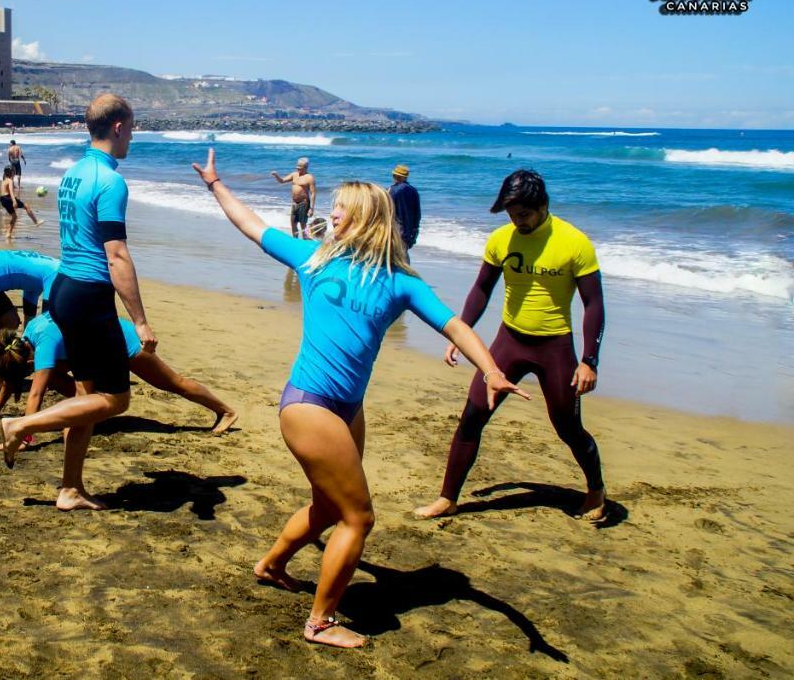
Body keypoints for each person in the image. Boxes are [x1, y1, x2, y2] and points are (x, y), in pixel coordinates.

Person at [191, 147, 523, 648]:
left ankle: (272, 564)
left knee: (329, 508)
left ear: (363, 219)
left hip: (349, 408)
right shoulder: (314, 258)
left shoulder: (400, 283)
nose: (332, 213)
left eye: (341, 208)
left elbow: (454, 324)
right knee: (359, 517)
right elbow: (252, 225)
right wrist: (215, 185)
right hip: (308, 405)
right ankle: (320, 621)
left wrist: (492, 369)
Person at [414, 170, 608, 523]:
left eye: (524, 215)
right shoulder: (501, 239)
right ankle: (448, 498)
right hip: (509, 341)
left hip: (555, 347)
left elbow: (593, 303)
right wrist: (462, 333)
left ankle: (596, 489)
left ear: (543, 205)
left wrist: (589, 361)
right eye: (511, 215)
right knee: (472, 416)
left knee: (567, 426)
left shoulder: (575, 243)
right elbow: (483, 288)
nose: (517, 222)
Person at [0, 94, 156, 512]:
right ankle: (21, 424)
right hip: (89, 294)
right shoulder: (110, 181)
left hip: (63, 287)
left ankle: (70, 488)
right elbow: (116, 253)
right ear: (118, 126)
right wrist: (139, 321)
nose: (133, 136)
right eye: (132, 127)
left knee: (87, 394)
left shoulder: (74, 173)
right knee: (116, 399)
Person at [0, 314, 238, 435]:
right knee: (55, 376)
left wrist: (24, 435)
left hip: (123, 342)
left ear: (30, 359)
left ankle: (225, 410)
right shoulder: (27, 334)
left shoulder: (43, 346)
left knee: (174, 384)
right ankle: (93, 414)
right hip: (97, 347)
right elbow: (12, 375)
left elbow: (35, 394)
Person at [271, 157, 317, 239]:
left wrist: (311, 208)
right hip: (295, 203)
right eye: (297, 168)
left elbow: (313, 193)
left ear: (306, 167)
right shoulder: (294, 175)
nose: (298, 170)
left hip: (304, 203)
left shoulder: (309, 177)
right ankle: (295, 240)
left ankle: (305, 241)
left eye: (300, 168)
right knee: (293, 223)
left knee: (303, 225)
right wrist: (276, 175)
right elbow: (282, 181)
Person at [0, 165, 42, 237]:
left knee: (14, 216)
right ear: (11, 172)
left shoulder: (4, 180)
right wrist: (14, 200)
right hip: (8, 198)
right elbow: (11, 191)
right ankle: (36, 222)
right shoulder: (10, 180)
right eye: (13, 171)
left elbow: (4, 192)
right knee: (26, 206)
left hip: (3, 199)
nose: (14, 173)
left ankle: (8, 234)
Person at [388, 164, 421, 256]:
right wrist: (415, 229)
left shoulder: (392, 190)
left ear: (395, 176)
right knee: (403, 254)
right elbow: (417, 213)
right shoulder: (414, 190)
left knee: (394, 256)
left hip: (395, 228)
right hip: (409, 230)